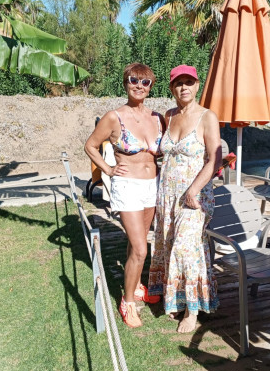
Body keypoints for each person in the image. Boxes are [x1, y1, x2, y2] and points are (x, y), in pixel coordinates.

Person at [84, 63, 165, 328]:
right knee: (141, 248)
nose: (139, 86)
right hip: (127, 186)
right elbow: (90, 146)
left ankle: (138, 285)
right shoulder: (113, 117)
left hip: (152, 186)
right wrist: (107, 169)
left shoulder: (157, 118)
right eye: (133, 80)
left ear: (151, 87)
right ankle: (128, 302)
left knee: (136, 243)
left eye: (145, 82)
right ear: (125, 83)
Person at [148, 65, 222, 333]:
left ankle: (192, 311)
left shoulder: (207, 117)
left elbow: (215, 159)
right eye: (178, 83)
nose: (184, 87)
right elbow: (160, 152)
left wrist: (193, 189)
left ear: (197, 85)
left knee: (186, 248)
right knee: (169, 245)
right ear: (172, 88)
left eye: (189, 82)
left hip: (195, 196)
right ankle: (176, 298)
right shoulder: (169, 116)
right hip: (167, 195)